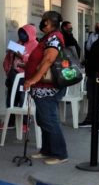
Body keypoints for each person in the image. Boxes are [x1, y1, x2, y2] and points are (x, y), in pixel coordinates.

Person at [24, 11, 69, 165]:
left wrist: (34, 79)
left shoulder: (55, 37)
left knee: (49, 120)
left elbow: (49, 59)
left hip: (47, 87)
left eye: (44, 20)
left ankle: (60, 154)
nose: (42, 23)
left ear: (49, 22)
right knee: (43, 119)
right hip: (41, 87)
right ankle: (47, 150)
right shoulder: (48, 37)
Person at [0, 24, 38, 130]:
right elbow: (8, 57)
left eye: (25, 33)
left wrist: (22, 56)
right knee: (11, 99)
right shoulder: (17, 43)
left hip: (25, 77)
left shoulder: (35, 45)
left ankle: (25, 123)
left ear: (30, 34)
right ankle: (10, 122)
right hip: (13, 75)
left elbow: (35, 62)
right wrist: (7, 69)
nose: (22, 35)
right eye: (21, 32)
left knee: (24, 99)